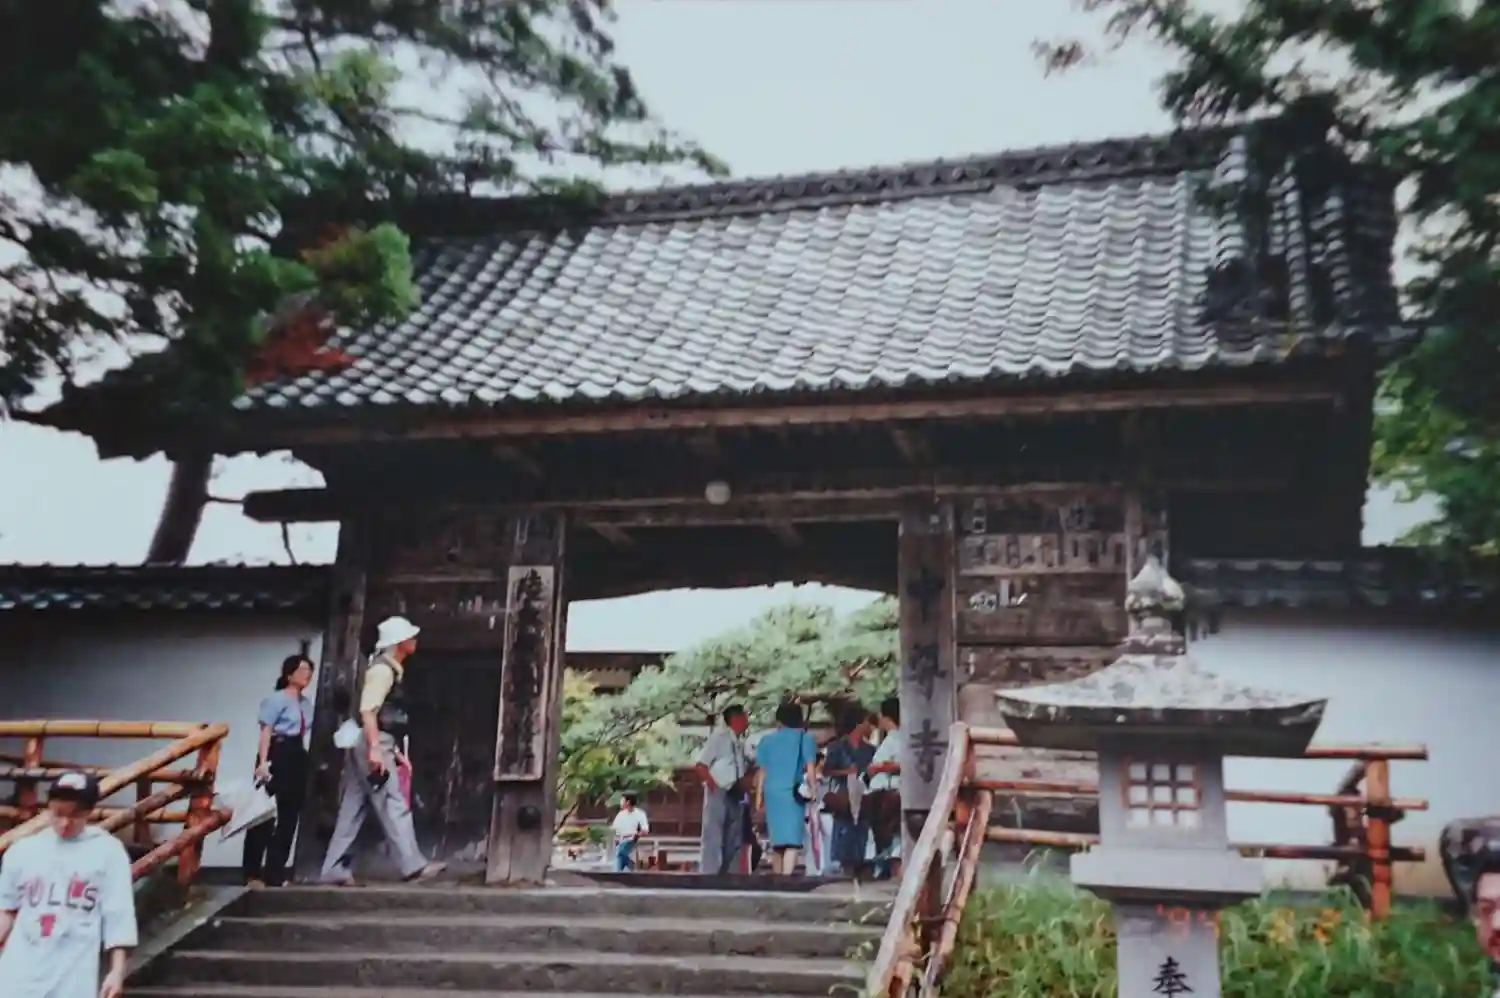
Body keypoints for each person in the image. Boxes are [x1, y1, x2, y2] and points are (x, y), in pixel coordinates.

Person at [319, 615, 446, 885]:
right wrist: (376, 750)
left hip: (371, 740)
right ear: (399, 642)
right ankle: (412, 866)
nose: (414, 640)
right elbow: (368, 711)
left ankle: (333, 867)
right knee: (393, 802)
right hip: (372, 741)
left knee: (354, 806)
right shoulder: (383, 671)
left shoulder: (388, 668)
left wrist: (394, 752)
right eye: (410, 637)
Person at [0, 771, 137, 998]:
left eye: (75, 815)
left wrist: (116, 972)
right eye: (58, 813)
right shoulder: (23, 851)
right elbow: (7, 910)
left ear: (89, 812)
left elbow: (118, 914)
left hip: (73, 972)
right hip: (19, 971)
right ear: (48, 807)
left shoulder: (107, 852)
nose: (65, 823)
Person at [243, 653, 315, 888]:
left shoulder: (306, 704)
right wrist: (263, 762)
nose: (306, 675)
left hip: (296, 754)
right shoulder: (276, 699)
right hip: (277, 751)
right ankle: (252, 873)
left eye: (309, 671)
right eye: (302, 670)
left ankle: (276, 873)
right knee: (263, 814)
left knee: (289, 814)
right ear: (289, 673)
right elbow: (266, 731)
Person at [753, 702, 818, 875]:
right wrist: (813, 790)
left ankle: (777, 877)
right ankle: (786, 877)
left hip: (772, 794)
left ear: (779, 720)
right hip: (792, 793)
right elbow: (810, 768)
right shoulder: (805, 738)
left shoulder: (766, 741)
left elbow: (762, 772)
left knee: (777, 841)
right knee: (792, 841)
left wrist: (758, 799)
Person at [696, 704, 751, 875]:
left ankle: (731, 874)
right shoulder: (718, 738)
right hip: (719, 789)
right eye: (745, 716)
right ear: (736, 719)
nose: (747, 719)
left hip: (736, 791)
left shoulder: (739, 742)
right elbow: (701, 766)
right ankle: (709, 874)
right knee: (714, 834)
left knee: (734, 836)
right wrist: (714, 787)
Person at [823, 705, 876, 880]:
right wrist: (845, 772)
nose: (870, 726)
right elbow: (826, 771)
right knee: (844, 834)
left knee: (863, 833)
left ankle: (862, 866)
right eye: (867, 722)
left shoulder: (870, 750)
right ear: (858, 723)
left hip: (864, 797)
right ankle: (846, 870)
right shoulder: (837, 747)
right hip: (844, 797)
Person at [864, 697, 903, 880]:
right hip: (879, 791)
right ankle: (884, 868)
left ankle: (894, 871)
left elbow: (902, 764)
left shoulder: (899, 738)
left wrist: (880, 768)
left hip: (890, 791)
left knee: (891, 833)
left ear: (886, 717)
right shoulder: (889, 739)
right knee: (883, 834)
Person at [610, 793, 650, 872]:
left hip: (631, 839)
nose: (620, 802)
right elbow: (614, 828)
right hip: (619, 839)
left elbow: (645, 830)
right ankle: (628, 867)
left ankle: (619, 871)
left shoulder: (640, 814)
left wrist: (637, 834)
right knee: (620, 852)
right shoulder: (621, 814)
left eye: (622, 800)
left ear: (628, 802)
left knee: (620, 852)